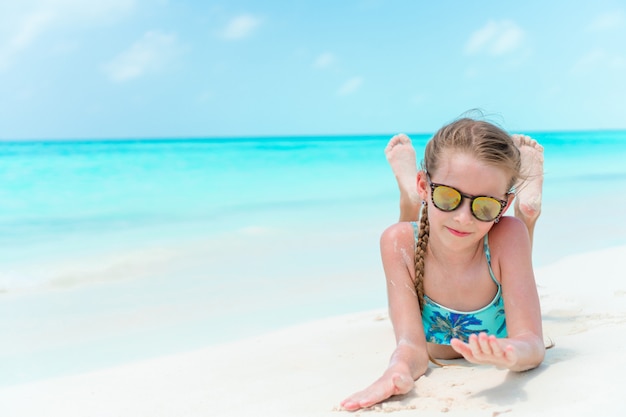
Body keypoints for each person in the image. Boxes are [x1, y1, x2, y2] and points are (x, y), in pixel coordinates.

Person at [341, 117, 546, 411]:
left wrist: (512, 351)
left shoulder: (506, 234)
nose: (464, 217)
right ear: (427, 185)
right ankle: (410, 199)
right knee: (409, 237)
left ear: (503, 204)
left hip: (502, 238)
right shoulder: (396, 244)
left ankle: (527, 213)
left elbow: (532, 342)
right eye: (448, 197)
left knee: (513, 235)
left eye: (485, 205)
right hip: (420, 234)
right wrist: (396, 371)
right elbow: (411, 347)